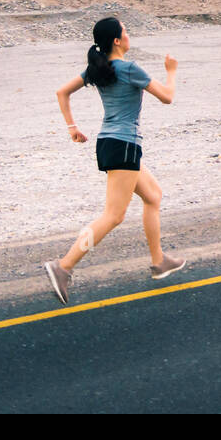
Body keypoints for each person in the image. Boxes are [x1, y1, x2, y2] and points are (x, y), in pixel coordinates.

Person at [45, 16, 186, 304]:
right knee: (113, 215)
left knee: (153, 196)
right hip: (124, 145)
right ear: (118, 41)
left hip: (111, 144)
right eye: (126, 31)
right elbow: (168, 97)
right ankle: (63, 266)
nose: (129, 34)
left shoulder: (99, 69)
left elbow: (62, 92)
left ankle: (159, 262)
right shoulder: (129, 68)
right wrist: (171, 72)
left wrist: (72, 128)